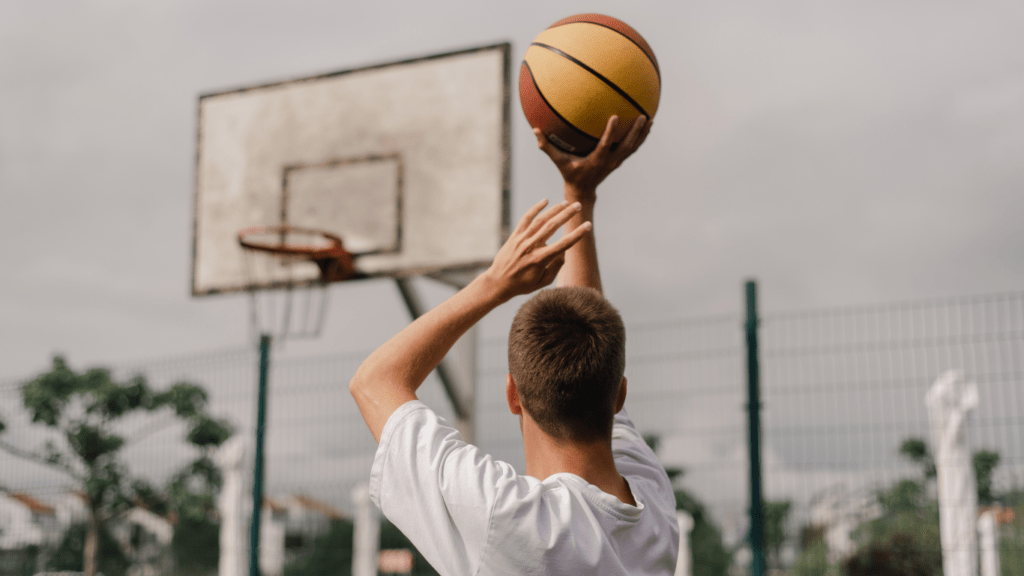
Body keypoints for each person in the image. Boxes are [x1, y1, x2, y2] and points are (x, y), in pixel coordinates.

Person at [350, 115, 678, 575]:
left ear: (512, 395)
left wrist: (494, 283)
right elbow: (589, 331)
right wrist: (579, 197)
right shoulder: (653, 503)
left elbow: (374, 381)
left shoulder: (506, 519)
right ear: (618, 394)